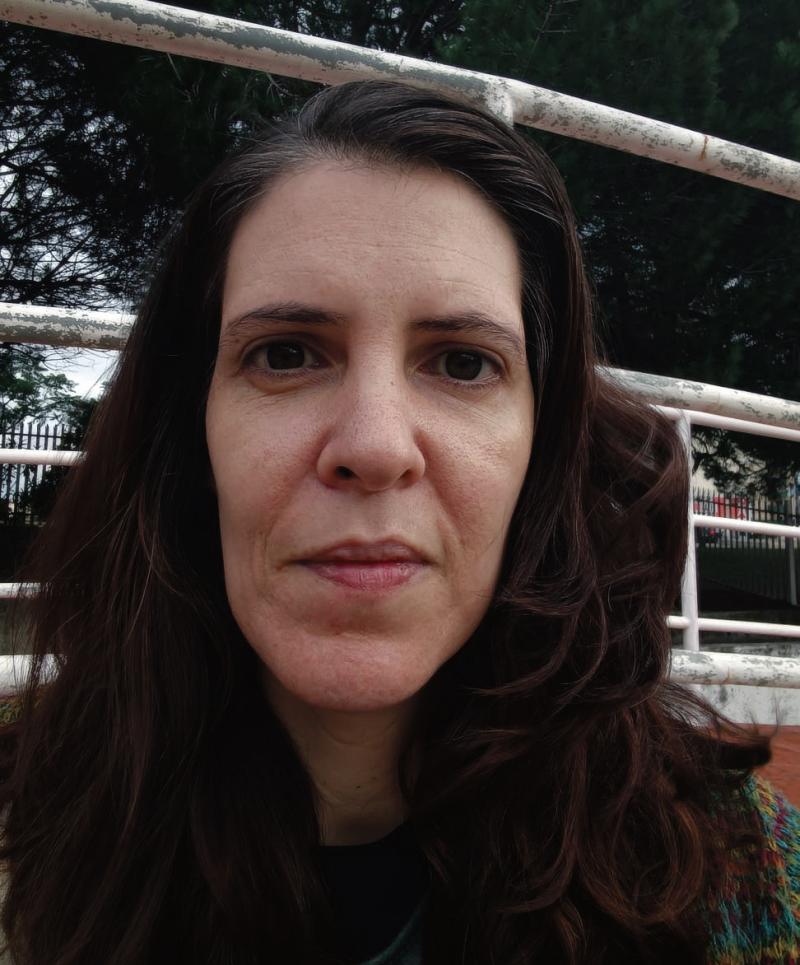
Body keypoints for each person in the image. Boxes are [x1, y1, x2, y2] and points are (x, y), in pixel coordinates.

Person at [0, 80, 796, 965]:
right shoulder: (20, 827)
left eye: (463, 363)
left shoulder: (747, 865)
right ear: (190, 428)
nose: (375, 447)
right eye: (286, 354)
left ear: (543, 443)